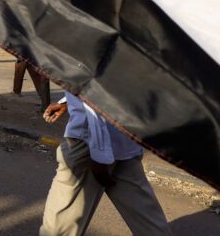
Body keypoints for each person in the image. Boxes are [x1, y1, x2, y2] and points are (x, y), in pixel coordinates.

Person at [39, 92, 171, 235]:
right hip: (125, 138)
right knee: (148, 220)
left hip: (89, 143)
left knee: (58, 229)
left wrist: (100, 155)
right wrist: (67, 101)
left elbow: (92, 93)